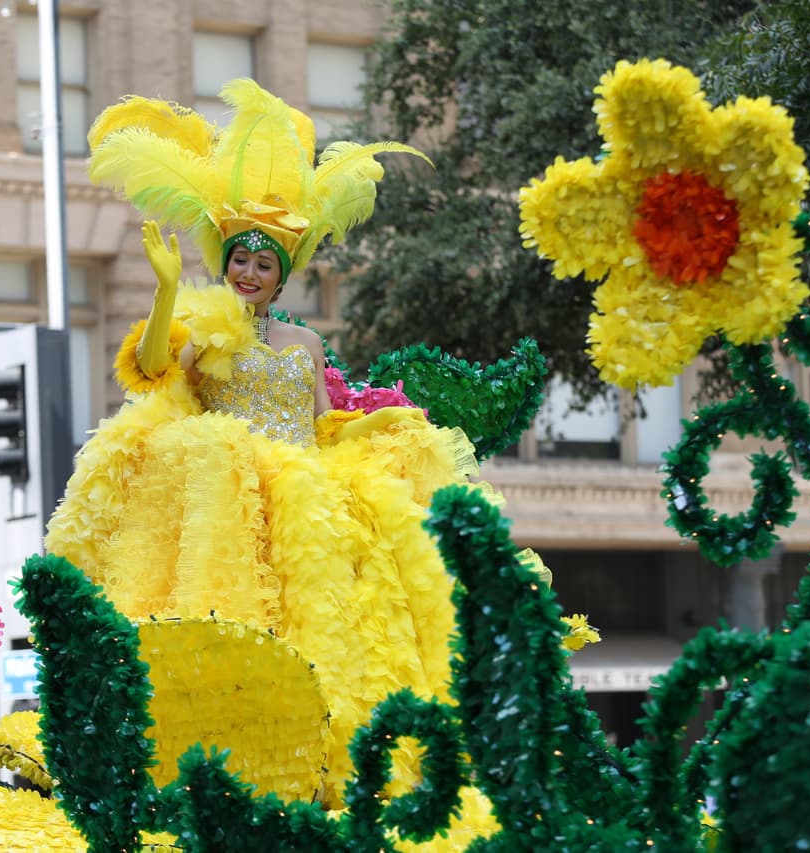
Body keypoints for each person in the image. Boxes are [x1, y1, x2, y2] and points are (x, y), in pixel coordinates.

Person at [44, 78, 498, 805]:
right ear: (223, 262)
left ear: (281, 275)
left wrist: (379, 422)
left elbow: (322, 422)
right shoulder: (207, 323)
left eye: (264, 264)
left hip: (311, 498)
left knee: (341, 625)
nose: (249, 273)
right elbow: (155, 369)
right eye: (240, 260)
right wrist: (164, 292)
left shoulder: (306, 344)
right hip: (230, 499)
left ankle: (341, 762)